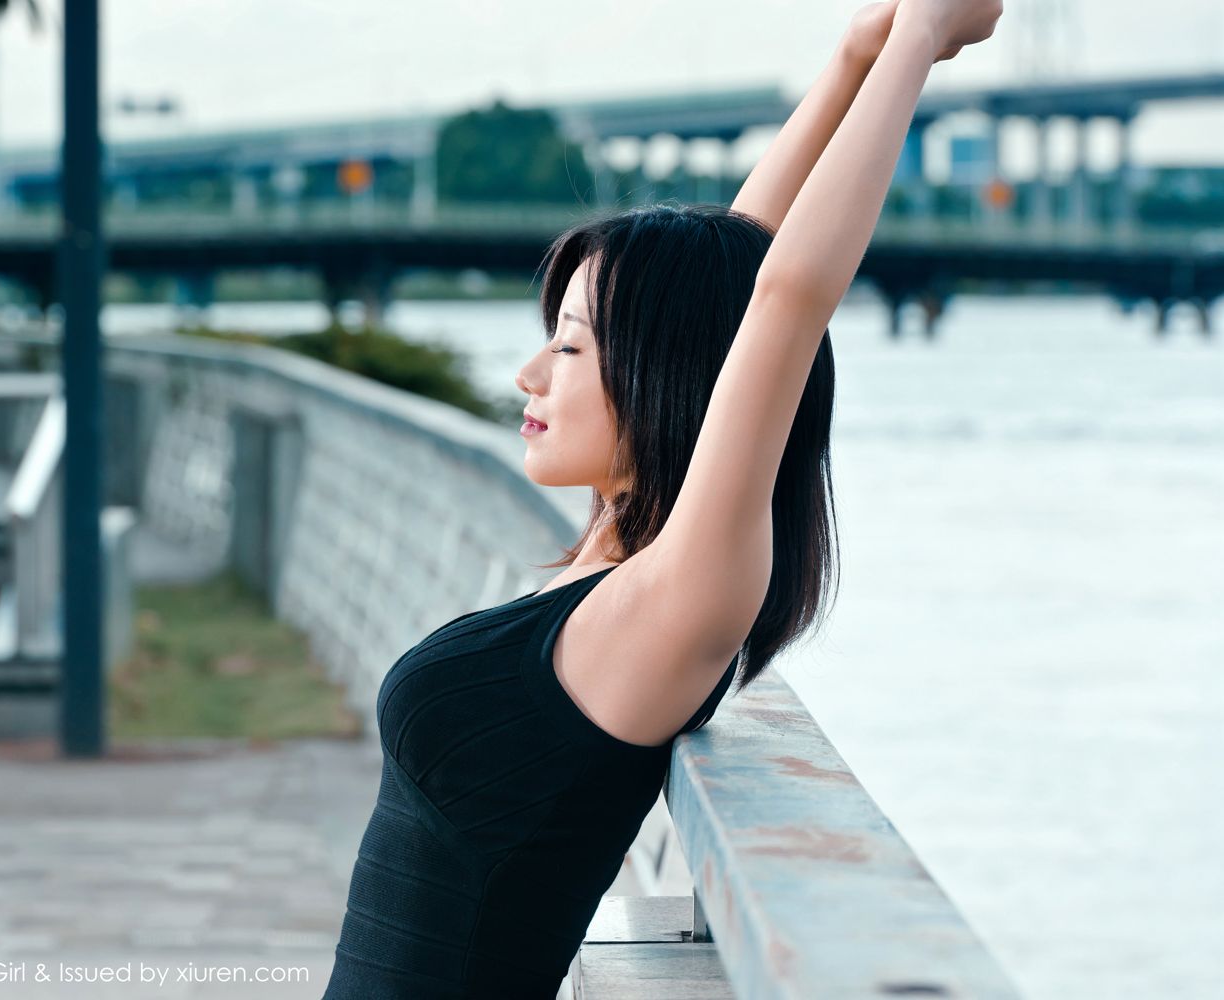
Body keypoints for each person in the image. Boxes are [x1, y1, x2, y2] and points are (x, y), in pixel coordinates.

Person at [322, 1, 1003, 996]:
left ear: (658, 376)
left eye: (568, 345)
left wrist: (919, 45)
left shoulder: (681, 597)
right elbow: (736, 273)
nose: (528, 374)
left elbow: (782, 301)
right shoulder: (624, 567)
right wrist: (857, 50)